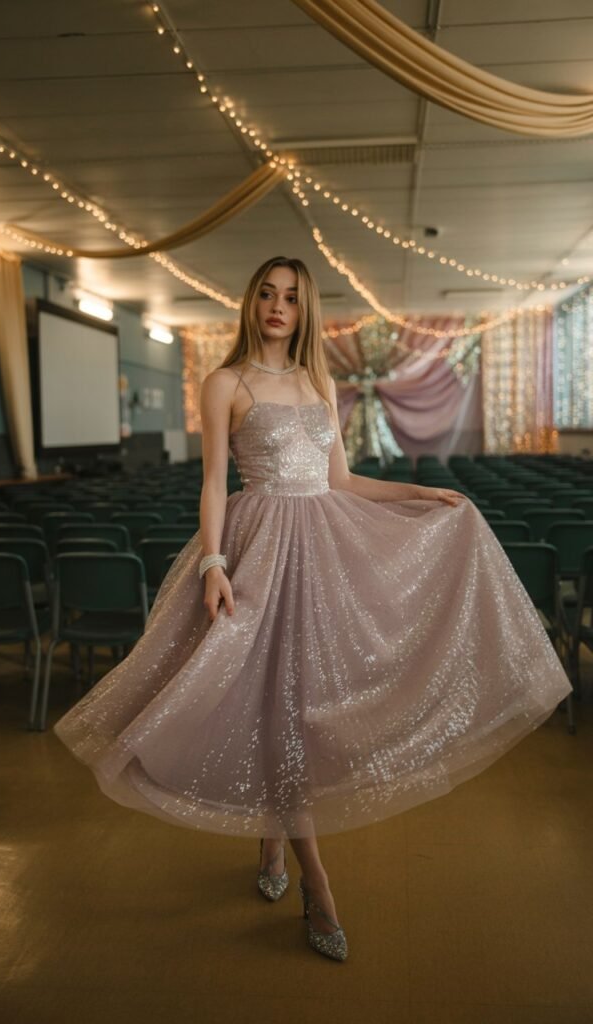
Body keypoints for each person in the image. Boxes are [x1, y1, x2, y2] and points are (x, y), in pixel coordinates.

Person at [54, 255, 573, 964]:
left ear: (303, 310)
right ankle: (318, 883)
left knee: (297, 709)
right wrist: (212, 563)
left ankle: (276, 835)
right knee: (273, 706)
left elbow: (341, 479)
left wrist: (423, 496)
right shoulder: (224, 381)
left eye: (290, 297)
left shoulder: (316, 380)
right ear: (251, 302)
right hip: (256, 555)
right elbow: (211, 485)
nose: (276, 305)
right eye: (266, 293)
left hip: (320, 555)